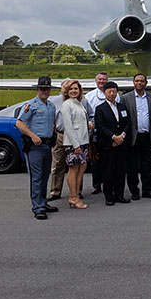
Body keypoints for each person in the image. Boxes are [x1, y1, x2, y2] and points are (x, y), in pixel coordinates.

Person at [15, 76, 59, 220]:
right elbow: (19, 123)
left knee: (45, 176)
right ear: (37, 89)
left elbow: (52, 122)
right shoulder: (30, 105)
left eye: (47, 89)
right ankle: (37, 207)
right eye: (42, 89)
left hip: (47, 145)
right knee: (36, 178)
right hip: (35, 146)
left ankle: (43, 202)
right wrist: (32, 135)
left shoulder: (51, 105)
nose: (44, 91)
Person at [121, 73, 151, 200]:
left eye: (142, 81)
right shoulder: (126, 98)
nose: (139, 83)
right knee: (132, 166)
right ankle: (134, 191)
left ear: (146, 83)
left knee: (147, 165)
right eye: (137, 81)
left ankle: (147, 190)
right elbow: (123, 119)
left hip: (146, 135)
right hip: (132, 136)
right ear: (133, 83)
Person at [93, 80, 131, 206]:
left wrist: (122, 136)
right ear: (104, 93)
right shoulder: (100, 109)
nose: (112, 93)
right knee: (108, 171)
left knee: (121, 171)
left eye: (114, 91)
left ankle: (119, 194)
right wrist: (114, 137)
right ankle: (109, 196)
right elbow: (100, 126)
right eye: (109, 91)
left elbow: (127, 123)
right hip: (108, 145)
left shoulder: (122, 107)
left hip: (122, 144)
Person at [84, 71, 118, 194]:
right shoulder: (89, 96)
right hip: (96, 132)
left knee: (111, 161)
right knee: (96, 160)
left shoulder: (115, 94)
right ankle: (97, 185)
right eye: (100, 79)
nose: (102, 81)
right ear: (96, 81)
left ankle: (111, 184)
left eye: (104, 79)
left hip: (111, 133)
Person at [60, 79, 91, 209]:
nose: (73, 91)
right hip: (73, 143)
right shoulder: (67, 104)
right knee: (73, 169)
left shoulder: (79, 103)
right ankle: (73, 197)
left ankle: (76, 194)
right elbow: (68, 126)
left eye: (76, 89)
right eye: (71, 89)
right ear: (67, 91)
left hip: (83, 141)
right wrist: (76, 145)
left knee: (81, 168)